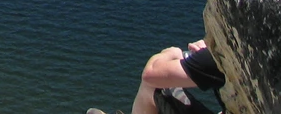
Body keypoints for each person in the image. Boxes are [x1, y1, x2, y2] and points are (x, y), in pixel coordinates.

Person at [88, 39, 225, 114]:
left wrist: (171, 52)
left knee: (155, 87)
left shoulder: (224, 55)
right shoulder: (244, 46)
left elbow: (151, 75)